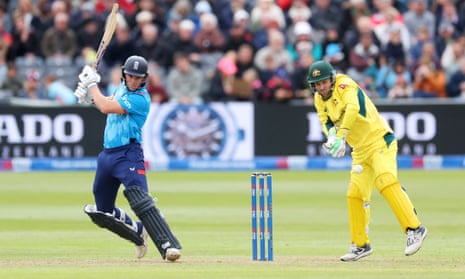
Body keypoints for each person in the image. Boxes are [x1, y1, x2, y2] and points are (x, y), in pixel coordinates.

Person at [306, 60, 427, 262]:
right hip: (360, 151)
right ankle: (360, 245)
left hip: (380, 141)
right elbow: (325, 121)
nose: (321, 87)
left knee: (385, 181)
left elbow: (353, 109)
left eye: (323, 82)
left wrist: (342, 134)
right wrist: (331, 138)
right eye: (316, 84)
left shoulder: (345, 85)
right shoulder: (319, 99)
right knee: (355, 195)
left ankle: (415, 228)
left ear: (332, 79)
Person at [73, 55, 182, 261]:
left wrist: (92, 84)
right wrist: (89, 94)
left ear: (144, 79)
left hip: (128, 155)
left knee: (140, 200)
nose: (133, 80)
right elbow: (106, 104)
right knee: (103, 213)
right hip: (107, 155)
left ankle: (168, 246)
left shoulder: (140, 98)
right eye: (130, 76)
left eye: (137, 77)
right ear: (124, 74)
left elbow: (106, 107)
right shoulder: (121, 89)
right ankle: (139, 233)